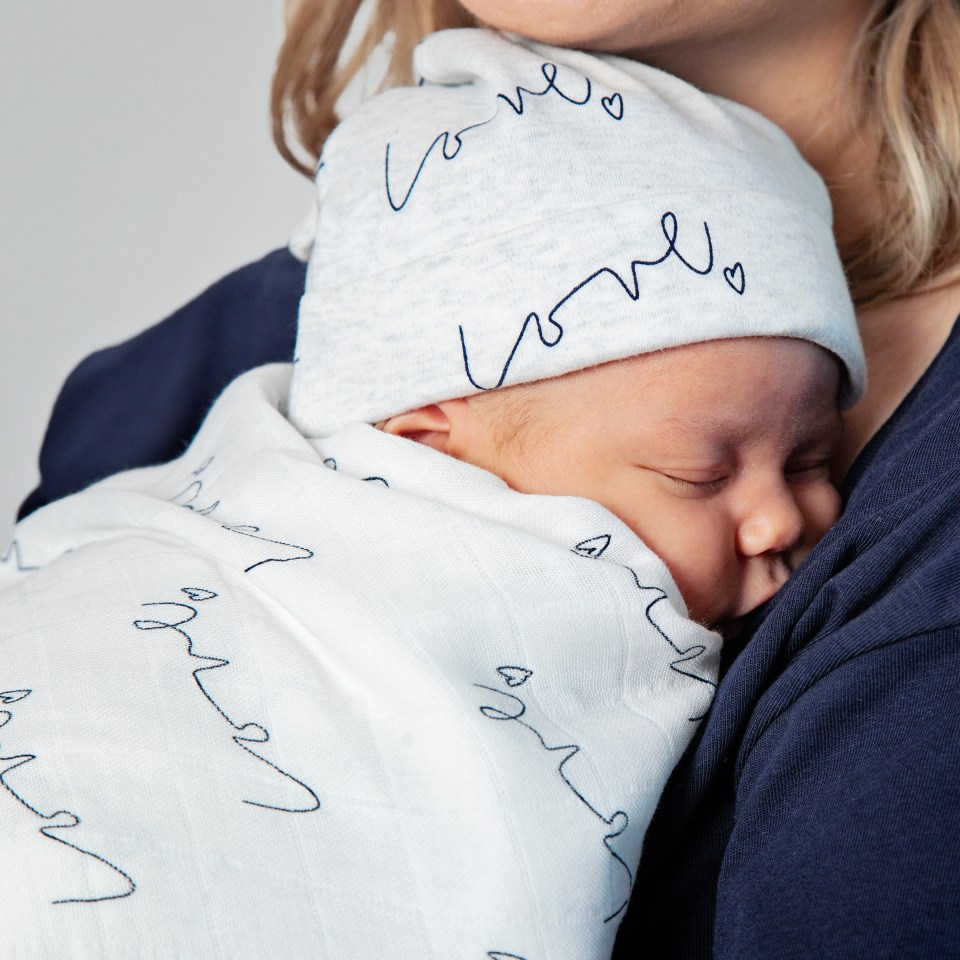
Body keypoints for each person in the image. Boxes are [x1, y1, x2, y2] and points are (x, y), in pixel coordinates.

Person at [13, 0, 960, 956]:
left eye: (808, 458)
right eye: (698, 471)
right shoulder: (174, 390)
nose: (780, 519)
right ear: (427, 448)